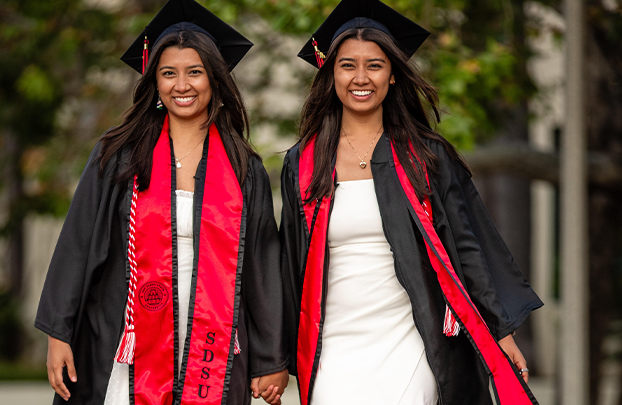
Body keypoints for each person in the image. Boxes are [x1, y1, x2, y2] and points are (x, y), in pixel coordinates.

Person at [279, 0, 543, 404]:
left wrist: (500, 330)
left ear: (393, 76)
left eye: (375, 65)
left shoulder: (424, 155)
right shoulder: (305, 162)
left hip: (410, 334)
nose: (360, 77)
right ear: (330, 74)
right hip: (331, 340)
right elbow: (289, 261)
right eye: (347, 64)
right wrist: (273, 357)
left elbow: (468, 246)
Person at [35, 1, 288, 404]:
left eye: (194, 73)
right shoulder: (119, 155)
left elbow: (262, 265)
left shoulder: (243, 167)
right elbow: (77, 244)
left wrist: (271, 358)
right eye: (168, 73)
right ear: (154, 82)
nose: (181, 85)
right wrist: (58, 333)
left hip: (214, 343)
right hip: (130, 336)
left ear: (215, 80)